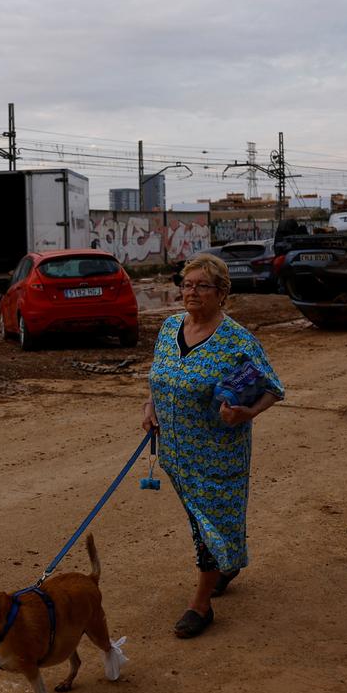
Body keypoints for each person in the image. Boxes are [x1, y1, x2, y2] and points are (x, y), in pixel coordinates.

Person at [141, 253, 284, 639]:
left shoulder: (236, 340)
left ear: (221, 293)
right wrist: (150, 406)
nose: (191, 292)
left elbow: (273, 387)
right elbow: (159, 377)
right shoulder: (170, 327)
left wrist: (245, 413)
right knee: (201, 518)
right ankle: (226, 564)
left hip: (218, 453)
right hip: (176, 451)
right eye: (186, 284)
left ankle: (201, 606)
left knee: (207, 524)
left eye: (202, 285)